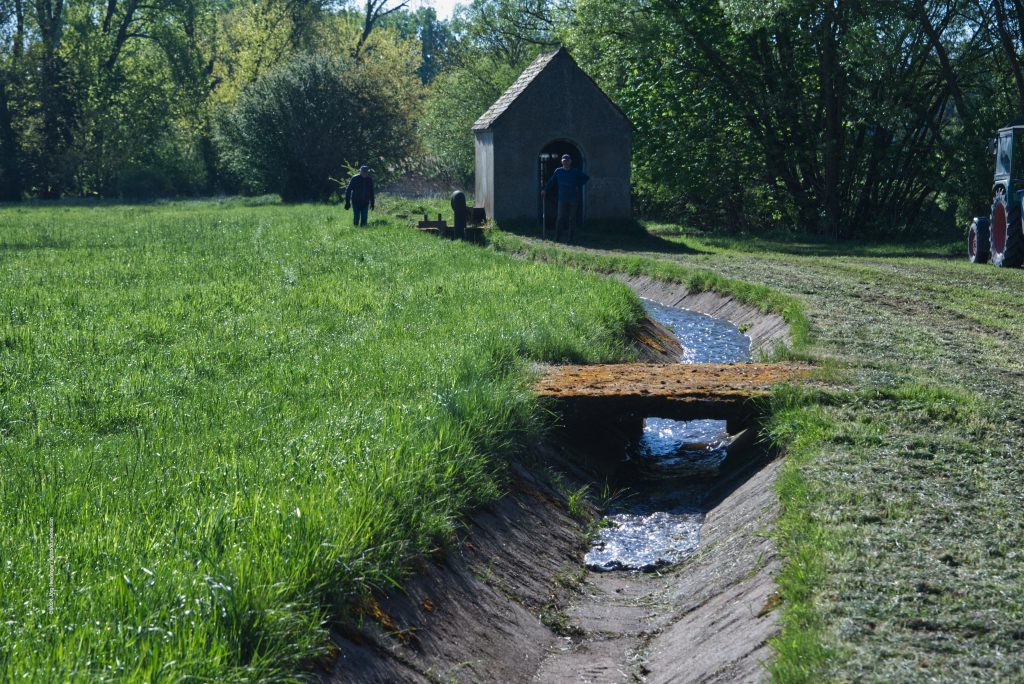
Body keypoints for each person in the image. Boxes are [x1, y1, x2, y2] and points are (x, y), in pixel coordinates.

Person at [541, 154, 589, 243]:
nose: (565, 163)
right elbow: (551, 181)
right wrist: (545, 190)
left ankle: (570, 239)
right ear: (561, 162)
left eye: (567, 161)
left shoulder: (575, 171)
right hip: (562, 198)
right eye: (564, 161)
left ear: (570, 162)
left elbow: (586, 178)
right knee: (560, 218)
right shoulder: (558, 171)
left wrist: (578, 185)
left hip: (573, 199)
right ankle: (557, 237)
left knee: (572, 219)